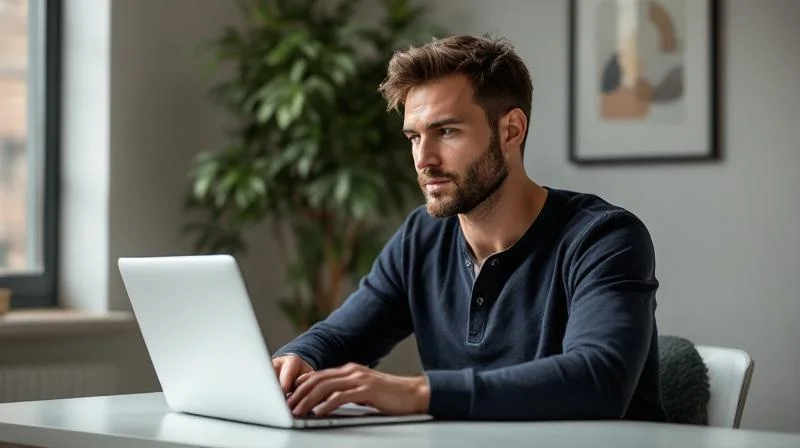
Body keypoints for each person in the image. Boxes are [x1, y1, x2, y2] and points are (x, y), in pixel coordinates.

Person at [272, 34, 668, 422]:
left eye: (446, 132)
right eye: (414, 137)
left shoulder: (604, 238)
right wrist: (297, 359)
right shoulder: (421, 237)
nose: (424, 159)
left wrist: (417, 392)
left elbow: (599, 380)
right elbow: (342, 337)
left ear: (511, 130)